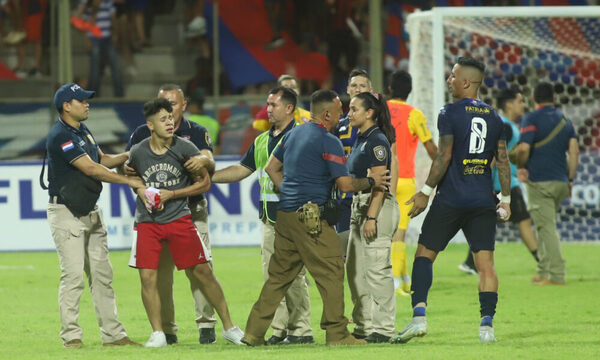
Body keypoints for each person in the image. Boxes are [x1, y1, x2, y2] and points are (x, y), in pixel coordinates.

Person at [240, 89, 390, 346]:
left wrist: (287, 191)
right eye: (340, 111)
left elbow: (271, 168)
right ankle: (338, 334)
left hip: (285, 216)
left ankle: (253, 333)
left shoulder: (294, 133)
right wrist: (370, 180)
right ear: (327, 114)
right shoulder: (328, 141)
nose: (342, 115)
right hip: (311, 219)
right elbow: (344, 185)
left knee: (278, 278)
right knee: (332, 271)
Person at [391, 57, 511, 345]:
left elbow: (443, 156)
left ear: (466, 83)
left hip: (451, 199)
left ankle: (419, 317)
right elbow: (503, 162)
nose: (449, 80)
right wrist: (505, 200)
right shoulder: (495, 117)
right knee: (486, 265)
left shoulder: (449, 112)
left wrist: (426, 191)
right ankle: (487, 328)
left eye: (453, 76)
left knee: (424, 255)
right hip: (483, 199)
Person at [127, 98, 244, 347]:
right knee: (148, 278)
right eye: (163, 119)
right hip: (147, 222)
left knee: (203, 272)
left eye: (171, 118)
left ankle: (229, 327)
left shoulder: (185, 147)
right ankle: (158, 333)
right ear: (150, 125)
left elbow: (205, 183)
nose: (169, 123)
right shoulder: (138, 151)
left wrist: (172, 194)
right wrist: (141, 191)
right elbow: (129, 175)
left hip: (180, 219)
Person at [212, 87, 314, 345]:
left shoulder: (300, 136)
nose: (267, 109)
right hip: (269, 220)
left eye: (273, 104)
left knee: (294, 277)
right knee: (273, 278)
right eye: (267, 104)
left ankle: (301, 331)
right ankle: (280, 330)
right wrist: (209, 178)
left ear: (289, 108)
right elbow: (241, 169)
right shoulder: (260, 140)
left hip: (293, 218)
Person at [45, 82, 144, 348]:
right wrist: (129, 182)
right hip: (67, 212)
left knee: (102, 276)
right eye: (82, 101)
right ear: (67, 106)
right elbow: (90, 169)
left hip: (89, 210)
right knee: (74, 276)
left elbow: (101, 160)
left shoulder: (82, 131)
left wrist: (130, 154)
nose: (87, 103)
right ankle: (71, 337)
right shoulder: (60, 135)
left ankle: (113, 335)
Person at [459, 88, 539, 275]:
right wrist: (484, 181)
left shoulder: (502, 123)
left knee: (487, 224)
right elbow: (494, 156)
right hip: (503, 185)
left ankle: (470, 263)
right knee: (523, 221)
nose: (523, 105)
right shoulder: (506, 126)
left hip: (500, 183)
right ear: (509, 104)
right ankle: (542, 260)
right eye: (520, 101)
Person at [345, 92, 399, 343]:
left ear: (369, 113)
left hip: (374, 207)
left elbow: (381, 184)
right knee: (355, 270)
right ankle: (365, 325)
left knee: (377, 270)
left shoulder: (377, 141)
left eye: (354, 109)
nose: (349, 113)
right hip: (359, 206)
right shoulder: (361, 138)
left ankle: (384, 328)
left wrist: (372, 218)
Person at [514, 82, 579, 286]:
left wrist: (521, 166)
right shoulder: (566, 121)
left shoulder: (531, 118)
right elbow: (574, 152)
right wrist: (570, 179)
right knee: (543, 225)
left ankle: (556, 275)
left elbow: (523, 148)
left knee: (547, 227)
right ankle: (543, 270)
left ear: (534, 99)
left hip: (540, 182)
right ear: (554, 99)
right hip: (561, 181)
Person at [387, 70, 438, 295]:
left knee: (385, 233)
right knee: (400, 232)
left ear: (389, 89)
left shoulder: (379, 109)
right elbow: (430, 148)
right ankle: (399, 281)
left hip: (383, 177)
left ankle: (401, 279)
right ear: (410, 92)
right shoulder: (415, 114)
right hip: (405, 179)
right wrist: (445, 164)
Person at [335, 69, 371, 255]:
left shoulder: (380, 124)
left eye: (362, 85)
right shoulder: (338, 124)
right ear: (348, 89)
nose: (358, 89)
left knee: (371, 255)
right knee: (343, 255)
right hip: (345, 199)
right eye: (354, 85)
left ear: (370, 90)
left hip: (371, 197)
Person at [76, 0, 124, 97]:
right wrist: (94, 9)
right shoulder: (87, 3)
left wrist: (115, 34)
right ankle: (95, 95)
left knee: (115, 66)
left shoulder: (108, 2)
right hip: (93, 39)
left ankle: (119, 95)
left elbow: (113, 18)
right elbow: (80, 21)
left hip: (107, 38)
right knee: (95, 68)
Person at [188, 87, 220, 153]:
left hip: (195, 158)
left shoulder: (188, 121)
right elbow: (218, 146)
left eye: (189, 105)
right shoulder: (214, 122)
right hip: (211, 157)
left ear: (194, 106)